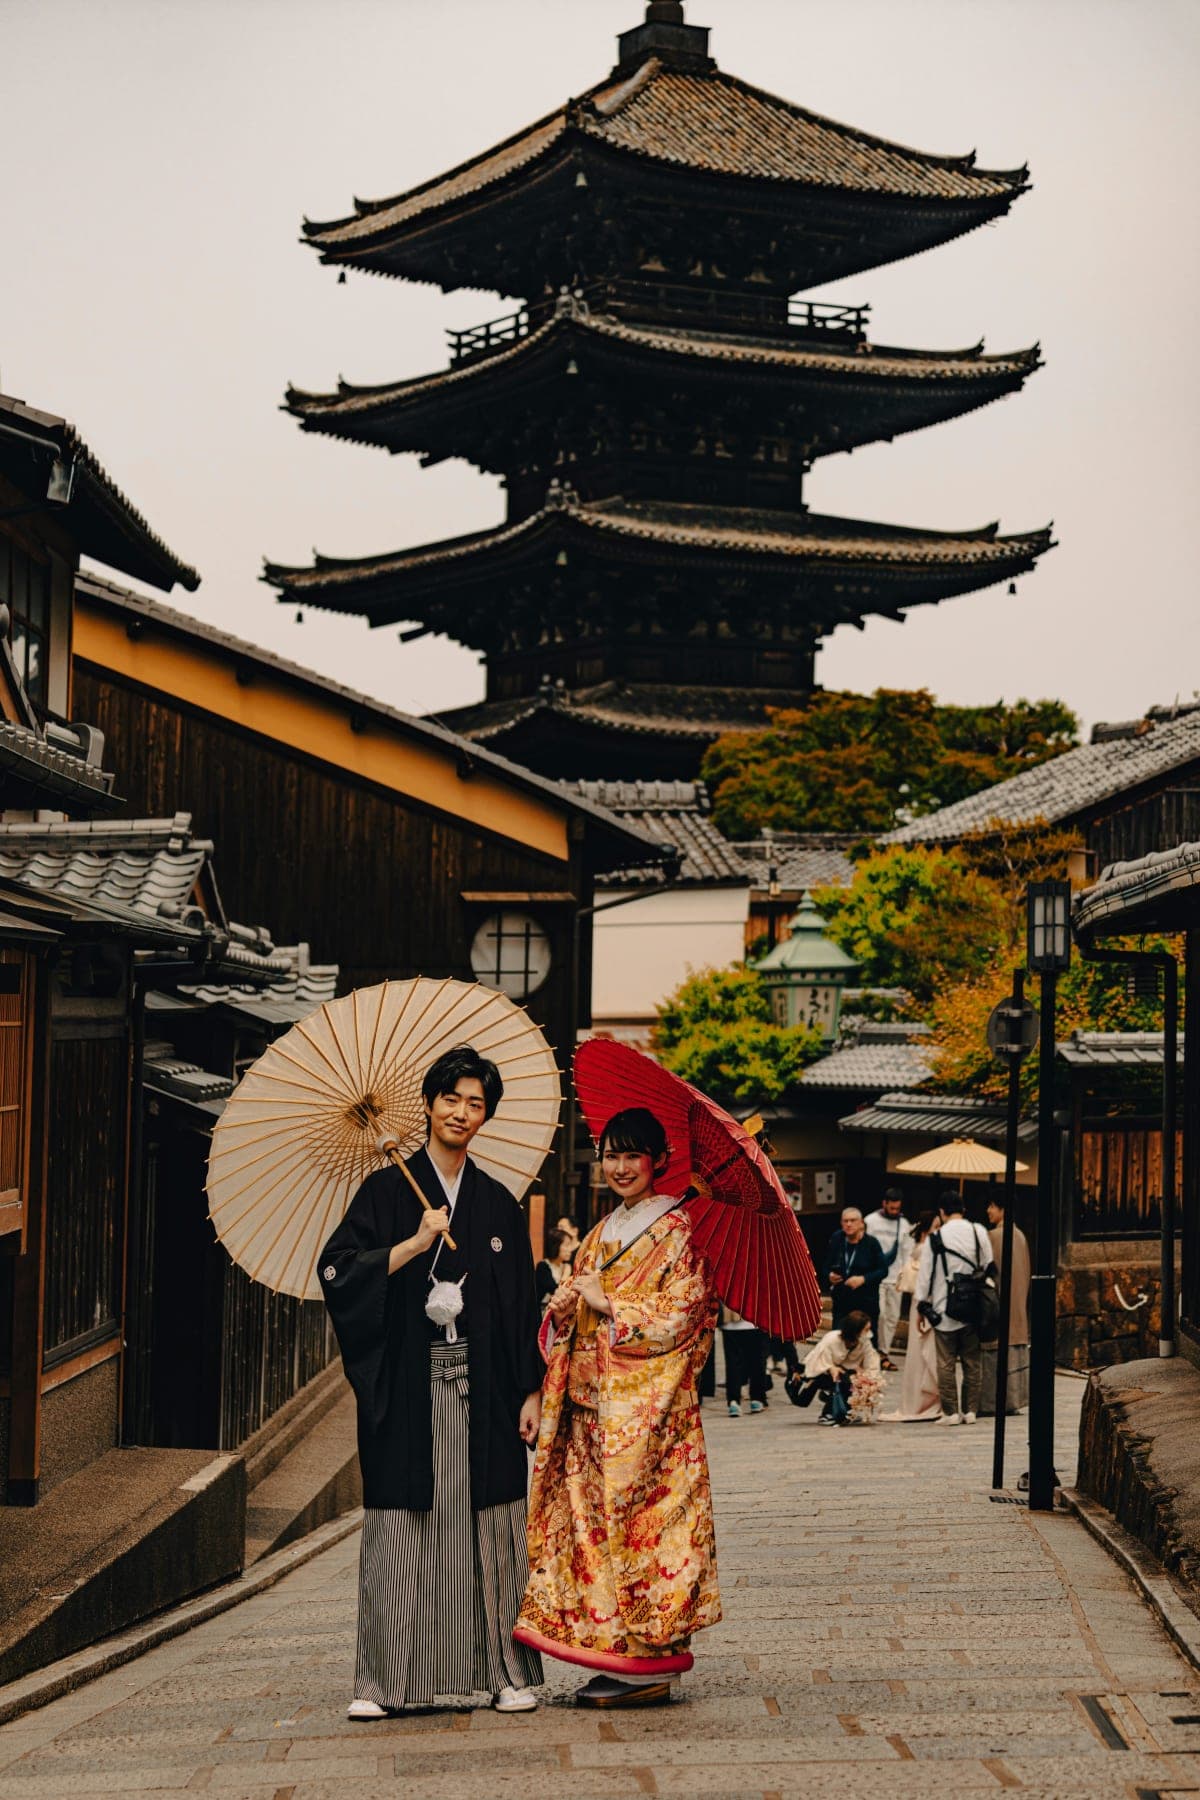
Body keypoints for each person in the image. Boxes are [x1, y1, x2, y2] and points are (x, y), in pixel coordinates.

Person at [318, 1045, 544, 1719]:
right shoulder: (385, 1192)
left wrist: (531, 1390)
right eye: (451, 1099)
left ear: (486, 1116)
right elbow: (337, 1272)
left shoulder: (498, 1203)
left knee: (493, 1528)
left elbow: (523, 1308)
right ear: (428, 1104)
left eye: (476, 1103)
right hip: (411, 1392)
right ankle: (382, 1684)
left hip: (487, 1393)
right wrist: (414, 1244)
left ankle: (505, 1674)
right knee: (403, 1529)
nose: (462, 1113)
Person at [516, 1107, 720, 1708]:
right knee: (593, 1533)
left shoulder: (678, 1230)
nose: (621, 1167)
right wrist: (564, 1311)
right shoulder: (603, 1229)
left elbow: (685, 1313)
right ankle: (613, 1650)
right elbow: (579, 1312)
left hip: (648, 1420)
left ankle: (652, 1657)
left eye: (633, 1155)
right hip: (589, 1410)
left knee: (648, 1527)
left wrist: (609, 1306)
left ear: (659, 1161)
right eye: (611, 1155)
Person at [912, 1191, 995, 1426]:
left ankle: (951, 1412)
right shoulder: (978, 1231)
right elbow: (987, 1263)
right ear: (964, 1210)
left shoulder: (935, 1238)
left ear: (942, 1212)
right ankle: (970, 1411)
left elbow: (925, 1276)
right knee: (972, 1361)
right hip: (973, 1305)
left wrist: (920, 1306)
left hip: (944, 1306)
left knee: (945, 1362)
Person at [882, 1211, 941, 1423]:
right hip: (924, 1299)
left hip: (920, 1299)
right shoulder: (927, 1246)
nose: (939, 1229)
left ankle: (920, 1399)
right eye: (936, 1226)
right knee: (923, 1350)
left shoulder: (920, 1245)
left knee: (921, 1350)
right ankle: (924, 1399)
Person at [980, 1195, 1032, 1416]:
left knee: (995, 1349)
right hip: (1018, 1303)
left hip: (998, 1304)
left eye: (991, 1206)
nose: (988, 1210)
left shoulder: (993, 1236)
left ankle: (991, 1402)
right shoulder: (1020, 1235)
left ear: (1002, 1209)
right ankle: (1014, 1400)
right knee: (1014, 1345)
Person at [789, 1310, 880, 1425]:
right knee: (842, 1379)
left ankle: (845, 1411)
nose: (868, 1333)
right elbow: (818, 1361)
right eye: (866, 1330)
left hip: (843, 1371)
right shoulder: (832, 1339)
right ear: (855, 1331)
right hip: (819, 1371)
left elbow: (871, 1362)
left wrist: (870, 1380)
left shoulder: (865, 1342)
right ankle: (827, 1414)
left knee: (856, 1381)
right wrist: (831, 1368)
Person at [863, 1188, 914, 1371]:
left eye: (897, 1209)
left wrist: (905, 1276)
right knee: (880, 1315)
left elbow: (907, 1251)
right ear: (884, 1203)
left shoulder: (904, 1224)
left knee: (892, 1317)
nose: (894, 1212)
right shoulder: (870, 1221)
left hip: (895, 1278)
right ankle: (873, 1352)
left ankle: (884, 1353)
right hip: (877, 1277)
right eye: (891, 1208)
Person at [823, 1206, 888, 1337]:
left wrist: (863, 1279)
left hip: (866, 1302)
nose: (849, 1224)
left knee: (866, 1340)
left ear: (861, 1223)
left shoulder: (871, 1243)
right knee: (838, 1339)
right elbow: (825, 1266)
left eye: (853, 1220)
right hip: (842, 1301)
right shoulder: (837, 1240)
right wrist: (829, 1275)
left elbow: (883, 1270)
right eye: (845, 1221)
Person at [721, 1302, 768, 1417]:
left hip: (730, 1319)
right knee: (757, 1361)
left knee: (733, 1363)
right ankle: (757, 1399)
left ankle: (733, 1401)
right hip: (755, 1319)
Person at [534, 1227, 573, 1316]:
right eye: (567, 1245)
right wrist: (566, 1274)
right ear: (556, 1246)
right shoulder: (543, 1266)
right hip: (542, 1313)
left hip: (561, 1312)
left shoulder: (565, 1266)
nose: (570, 1250)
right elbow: (556, 1292)